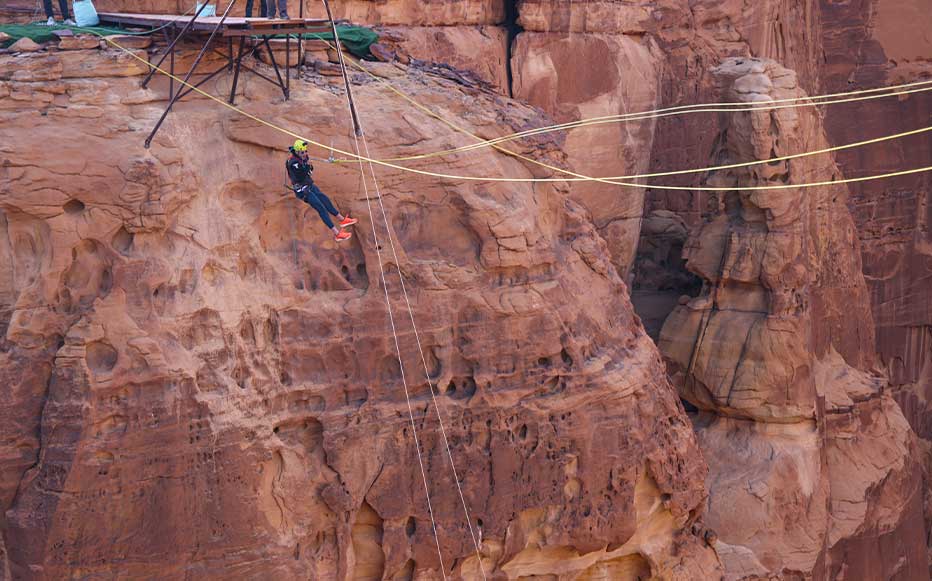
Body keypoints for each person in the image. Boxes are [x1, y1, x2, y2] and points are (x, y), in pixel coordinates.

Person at [287, 140, 356, 242]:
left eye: (305, 151)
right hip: (303, 190)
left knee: (325, 199)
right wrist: (307, 167)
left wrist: (308, 165)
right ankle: (337, 234)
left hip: (309, 185)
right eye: (302, 152)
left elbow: (307, 169)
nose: (305, 153)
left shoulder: (302, 157)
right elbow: (301, 175)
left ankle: (342, 220)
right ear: (297, 152)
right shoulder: (293, 163)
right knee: (321, 208)